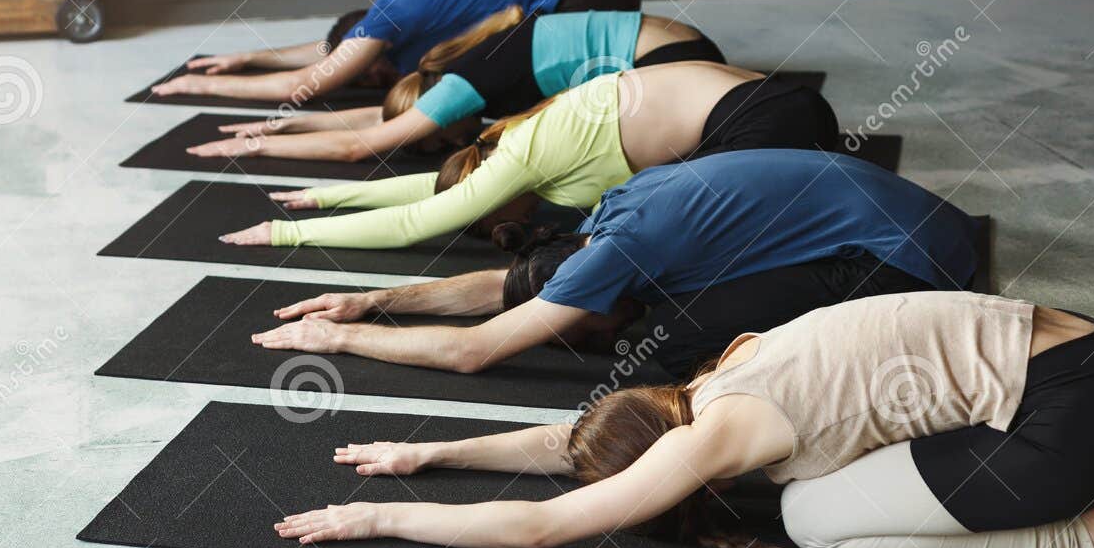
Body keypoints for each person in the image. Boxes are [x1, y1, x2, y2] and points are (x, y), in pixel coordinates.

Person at [274, 291, 1094, 548]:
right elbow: (574, 445)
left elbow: (544, 526)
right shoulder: (730, 368)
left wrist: (384, 515)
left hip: (1063, 427)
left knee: (815, 514)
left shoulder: (724, 435)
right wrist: (430, 454)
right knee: (844, 471)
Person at [248, 149, 978, 379]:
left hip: (917, 264)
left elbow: (475, 351)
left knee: (671, 343)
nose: (579, 331)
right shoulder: (613, 211)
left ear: (596, 285)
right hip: (913, 220)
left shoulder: (623, 251)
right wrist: (376, 301)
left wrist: (338, 339)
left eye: (578, 325)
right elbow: (511, 290)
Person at [218, 62, 839, 250]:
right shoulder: (516, 143)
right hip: (778, 107)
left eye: (487, 213)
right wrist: (327, 195)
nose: (496, 219)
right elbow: (435, 193)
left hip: (763, 120)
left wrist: (284, 232)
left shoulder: (525, 154)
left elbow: (423, 219)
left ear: (489, 180)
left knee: (713, 249)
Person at [186, 8, 732, 163]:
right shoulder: (460, 79)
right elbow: (377, 123)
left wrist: (256, 146)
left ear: (438, 110)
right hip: (678, 54)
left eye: (437, 137)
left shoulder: (465, 85)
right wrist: (286, 122)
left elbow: (360, 146)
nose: (451, 143)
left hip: (674, 61)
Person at [150, 0, 639, 105]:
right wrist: (249, 57)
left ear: (367, 43)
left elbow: (307, 83)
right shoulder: (392, 31)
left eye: (363, 70)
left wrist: (200, 84)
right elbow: (323, 51)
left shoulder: (388, 15)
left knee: (492, 88)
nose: (373, 79)